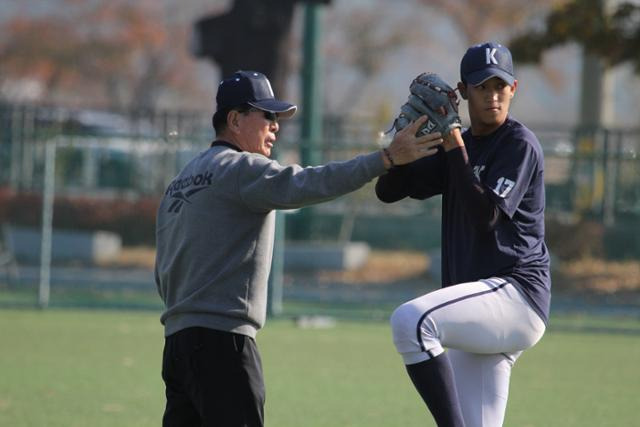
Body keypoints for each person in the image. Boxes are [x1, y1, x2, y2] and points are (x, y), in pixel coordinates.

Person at [155, 70, 442, 427]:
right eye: (268, 115)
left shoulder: (181, 181)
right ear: (234, 119)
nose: (276, 126)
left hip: (177, 346)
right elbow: (308, 183)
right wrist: (384, 159)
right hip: (222, 346)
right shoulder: (242, 169)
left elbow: (162, 266)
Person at [375, 42, 551, 427]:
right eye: (482, 87)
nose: (492, 96)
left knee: (413, 323)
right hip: (482, 311)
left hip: (516, 294)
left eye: (500, 86)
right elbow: (387, 192)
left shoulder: (518, 144)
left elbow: (485, 215)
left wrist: (453, 141)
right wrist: (401, 150)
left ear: (513, 89)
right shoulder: (461, 146)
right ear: (464, 90)